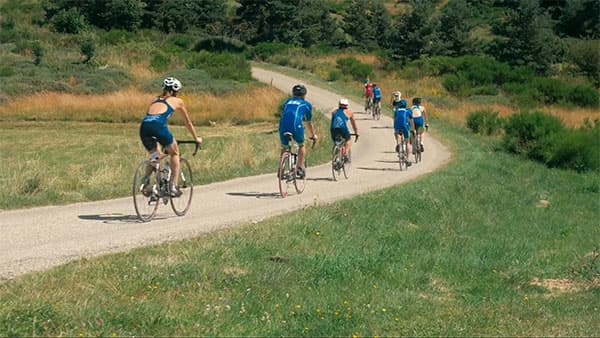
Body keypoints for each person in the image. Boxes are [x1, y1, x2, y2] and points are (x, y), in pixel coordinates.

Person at [139, 77, 202, 196]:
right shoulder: (178, 101)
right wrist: (196, 138)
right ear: (176, 90)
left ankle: (146, 181)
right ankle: (173, 186)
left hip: (144, 127)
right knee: (174, 153)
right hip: (158, 126)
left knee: (156, 156)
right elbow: (187, 122)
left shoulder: (155, 100)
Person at [279, 84, 318, 179]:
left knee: (285, 147)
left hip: (283, 125)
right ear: (304, 95)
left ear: (293, 94)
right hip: (296, 125)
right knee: (301, 145)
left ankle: (281, 169)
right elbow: (309, 122)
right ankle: (299, 167)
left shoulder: (287, 101)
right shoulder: (306, 104)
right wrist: (313, 135)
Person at [330, 98, 359, 163]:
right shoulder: (349, 112)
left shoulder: (334, 112)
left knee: (336, 142)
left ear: (339, 105)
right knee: (348, 139)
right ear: (347, 105)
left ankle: (334, 156)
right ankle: (345, 154)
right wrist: (356, 133)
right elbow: (353, 124)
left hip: (333, 129)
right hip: (343, 128)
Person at [393, 99, 414, 166]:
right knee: (407, 142)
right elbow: (411, 121)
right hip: (405, 126)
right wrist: (413, 129)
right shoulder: (408, 111)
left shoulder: (396, 111)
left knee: (398, 134)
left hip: (397, 126)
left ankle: (398, 144)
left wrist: (395, 128)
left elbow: (395, 119)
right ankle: (407, 159)